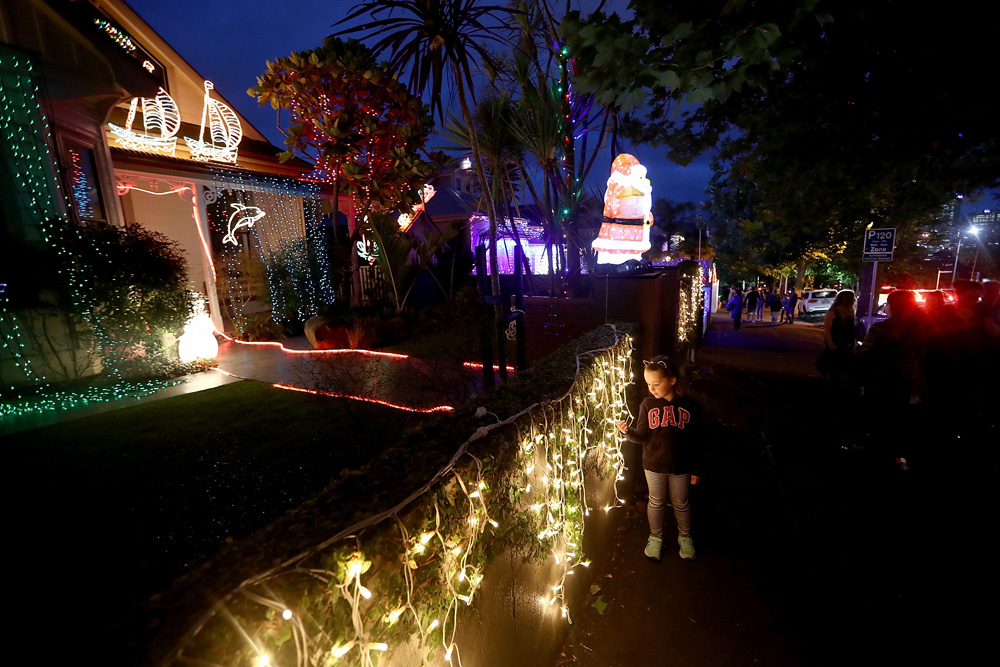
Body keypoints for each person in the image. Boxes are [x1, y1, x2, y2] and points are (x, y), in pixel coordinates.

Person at [616, 356, 702, 561]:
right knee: (655, 501)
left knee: (680, 502)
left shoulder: (689, 405)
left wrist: (698, 468)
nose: (651, 389)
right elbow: (643, 435)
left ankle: (685, 536)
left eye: (656, 384)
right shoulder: (647, 404)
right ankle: (655, 537)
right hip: (653, 464)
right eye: (648, 384)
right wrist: (628, 431)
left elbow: (697, 439)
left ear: (672, 380)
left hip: (681, 464)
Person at [854, 290, 925, 471]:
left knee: (873, 411)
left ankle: (864, 447)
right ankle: (898, 455)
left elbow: (865, 355)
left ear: (892, 306)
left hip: (880, 377)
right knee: (899, 416)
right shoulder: (918, 329)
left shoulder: (881, 329)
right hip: (905, 378)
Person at [822, 290, 857, 388]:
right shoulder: (833, 312)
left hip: (846, 344)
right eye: (852, 298)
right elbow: (827, 331)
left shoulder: (850, 311)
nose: (854, 300)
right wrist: (831, 344)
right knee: (835, 369)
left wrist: (852, 343)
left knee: (844, 368)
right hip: (836, 343)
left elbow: (850, 330)